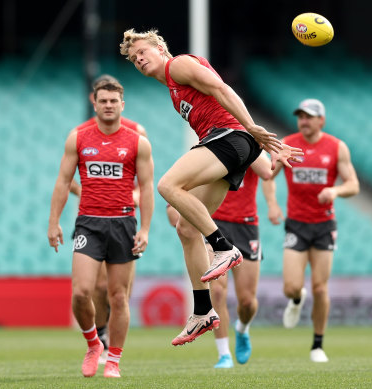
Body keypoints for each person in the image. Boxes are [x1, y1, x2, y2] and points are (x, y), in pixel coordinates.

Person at [119, 29, 303, 346]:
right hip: (236, 146)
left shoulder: (177, 66)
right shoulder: (173, 90)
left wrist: (253, 128)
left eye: (142, 52)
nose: (139, 59)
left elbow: (221, 88)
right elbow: (264, 170)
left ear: (159, 47)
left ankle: (222, 246)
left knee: (167, 185)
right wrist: (270, 158)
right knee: (186, 228)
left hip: (229, 138)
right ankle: (203, 311)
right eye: (134, 59)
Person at [47, 79, 154, 378]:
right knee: (82, 292)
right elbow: (63, 181)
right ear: (94, 103)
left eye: (113, 101)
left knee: (118, 296)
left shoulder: (137, 142)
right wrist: (54, 221)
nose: (108, 105)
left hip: (123, 223)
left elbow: (146, 188)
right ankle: (94, 344)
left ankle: (115, 360)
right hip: (89, 223)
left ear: (122, 104)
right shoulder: (78, 137)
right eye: (103, 101)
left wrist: (144, 229)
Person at [268, 98, 359, 362]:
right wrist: (273, 204)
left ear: (322, 120)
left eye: (309, 116)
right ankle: (296, 300)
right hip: (296, 223)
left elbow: (353, 184)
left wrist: (335, 190)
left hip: (323, 225)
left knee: (321, 287)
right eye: (300, 116)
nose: (304, 121)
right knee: (291, 287)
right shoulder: (288, 144)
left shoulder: (336, 147)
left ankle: (317, 345)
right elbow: (268, 176)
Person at [209, 152, 275, 368]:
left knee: (247, 301)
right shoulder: (211, 143)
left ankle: (242, 329)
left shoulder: (250, 143)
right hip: (215, 223)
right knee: (217, 290)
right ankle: (224, 354)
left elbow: (267, 171)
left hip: (246, 226)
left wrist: (247, 142)